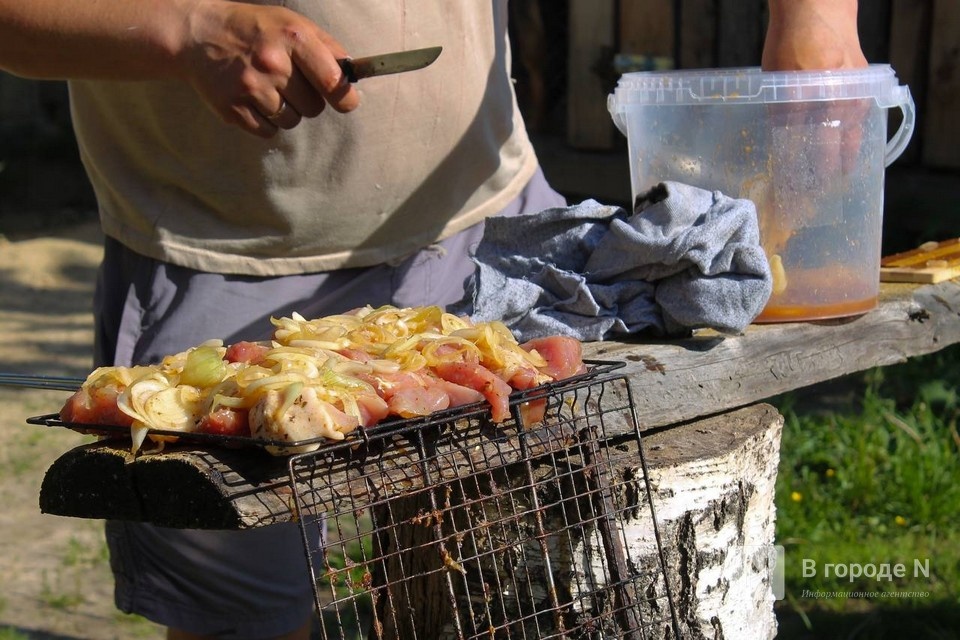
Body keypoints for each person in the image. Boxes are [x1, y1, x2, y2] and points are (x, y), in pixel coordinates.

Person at [0, 0, 866, 638]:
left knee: (523, 593)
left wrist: (815, 19)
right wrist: (187, 31)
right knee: (241, 624)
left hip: (487, 241)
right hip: (216, 266)